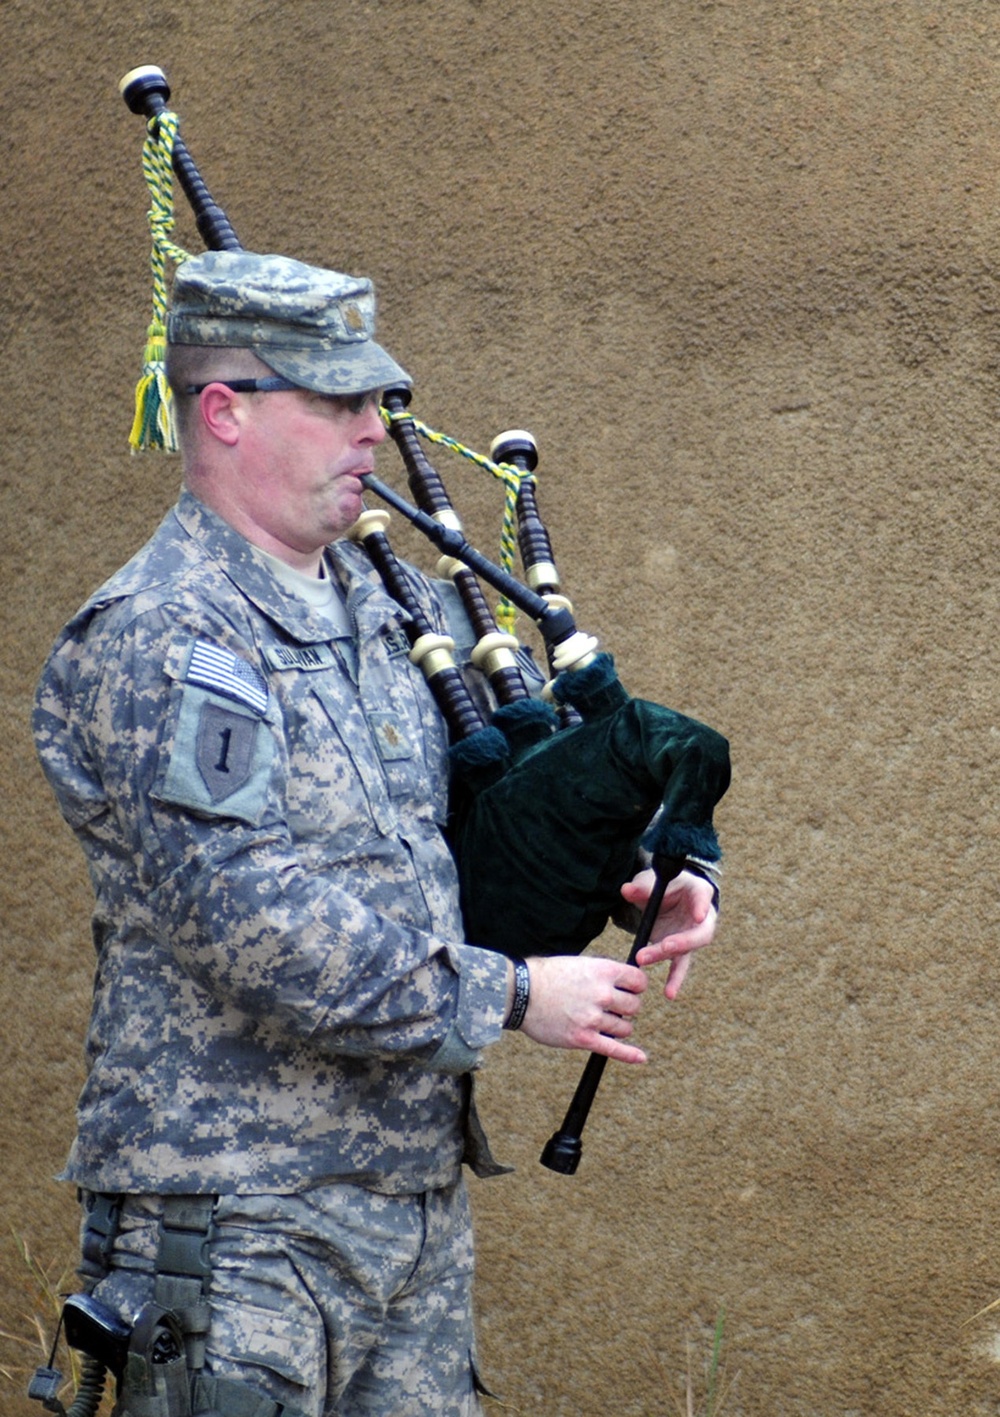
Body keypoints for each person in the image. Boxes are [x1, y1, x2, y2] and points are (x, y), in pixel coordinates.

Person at [32, 250, 722, 1417]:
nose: (372, 428)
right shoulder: (170, 636)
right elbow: (248, 922)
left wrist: (639, 871)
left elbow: (458, 836)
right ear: (226, 411)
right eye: (337, 400)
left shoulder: (375, 607)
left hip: (403, 1199)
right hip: (239, 1224)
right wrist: (510, 996)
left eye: (372, 397)